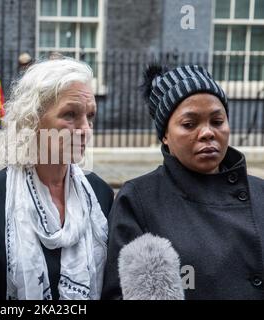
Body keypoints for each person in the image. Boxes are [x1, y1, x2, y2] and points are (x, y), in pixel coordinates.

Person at [102, 64, 264, 300]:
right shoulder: (139, 199)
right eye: (189, 124)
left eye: (217, 121)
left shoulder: (259, 192)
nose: (207, 133)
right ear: (165, 135)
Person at [0, 58, 114, 300]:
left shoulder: (100, 194)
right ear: (32, 119)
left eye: (90, 116)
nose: (86, 129)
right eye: (70, 115)